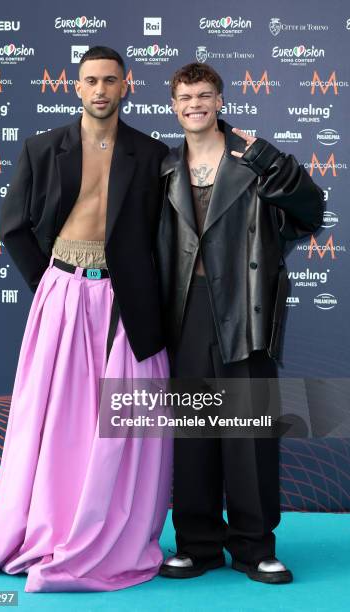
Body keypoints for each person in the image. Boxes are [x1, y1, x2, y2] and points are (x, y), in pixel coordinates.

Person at [0, 46, 172, 592]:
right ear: (75, 87)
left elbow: (165, 238)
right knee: (55, 419)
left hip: (127, 303)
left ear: (126, 86)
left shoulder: (151, 154)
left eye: (110, 80)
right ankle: (47, 524)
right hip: (62, 292)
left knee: (120, 421)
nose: (100, 90)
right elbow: (13, 225)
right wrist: (51, 286)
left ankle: (108, 530)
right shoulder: (42, 148)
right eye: (90, 81)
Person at [156, 62, 324, 584]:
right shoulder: (163, 167)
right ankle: (198, 544)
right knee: (193, 433)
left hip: (246, 308)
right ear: (174, 105)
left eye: (203, 95)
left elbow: (311, 210)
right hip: (185, 309)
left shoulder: (254, 160)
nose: (194, 105)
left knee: (249, 434)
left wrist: (268, 157)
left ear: (220, 100)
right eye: (185, 97)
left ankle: (255, 548)